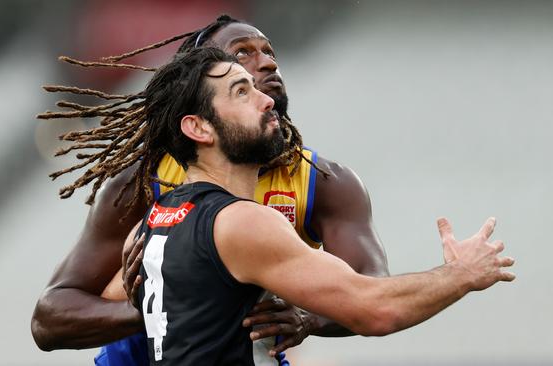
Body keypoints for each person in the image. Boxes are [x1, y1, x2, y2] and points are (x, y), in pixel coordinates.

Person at [98, 46, 514, 365]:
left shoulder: (151, 225)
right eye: (241, 92)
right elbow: (375, 309)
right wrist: (462, 274)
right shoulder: (240, 223)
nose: (264, 100)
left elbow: (124, 303)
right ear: (199, 127)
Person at [31, 14, 381, 364]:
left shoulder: (323, 183)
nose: (269, 61)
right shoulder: (141, 182)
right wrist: (160, 310)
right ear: (200, 79)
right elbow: (49, 319)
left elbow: (374, 291)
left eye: (268, 51)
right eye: (242, 54)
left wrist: (310, 319)